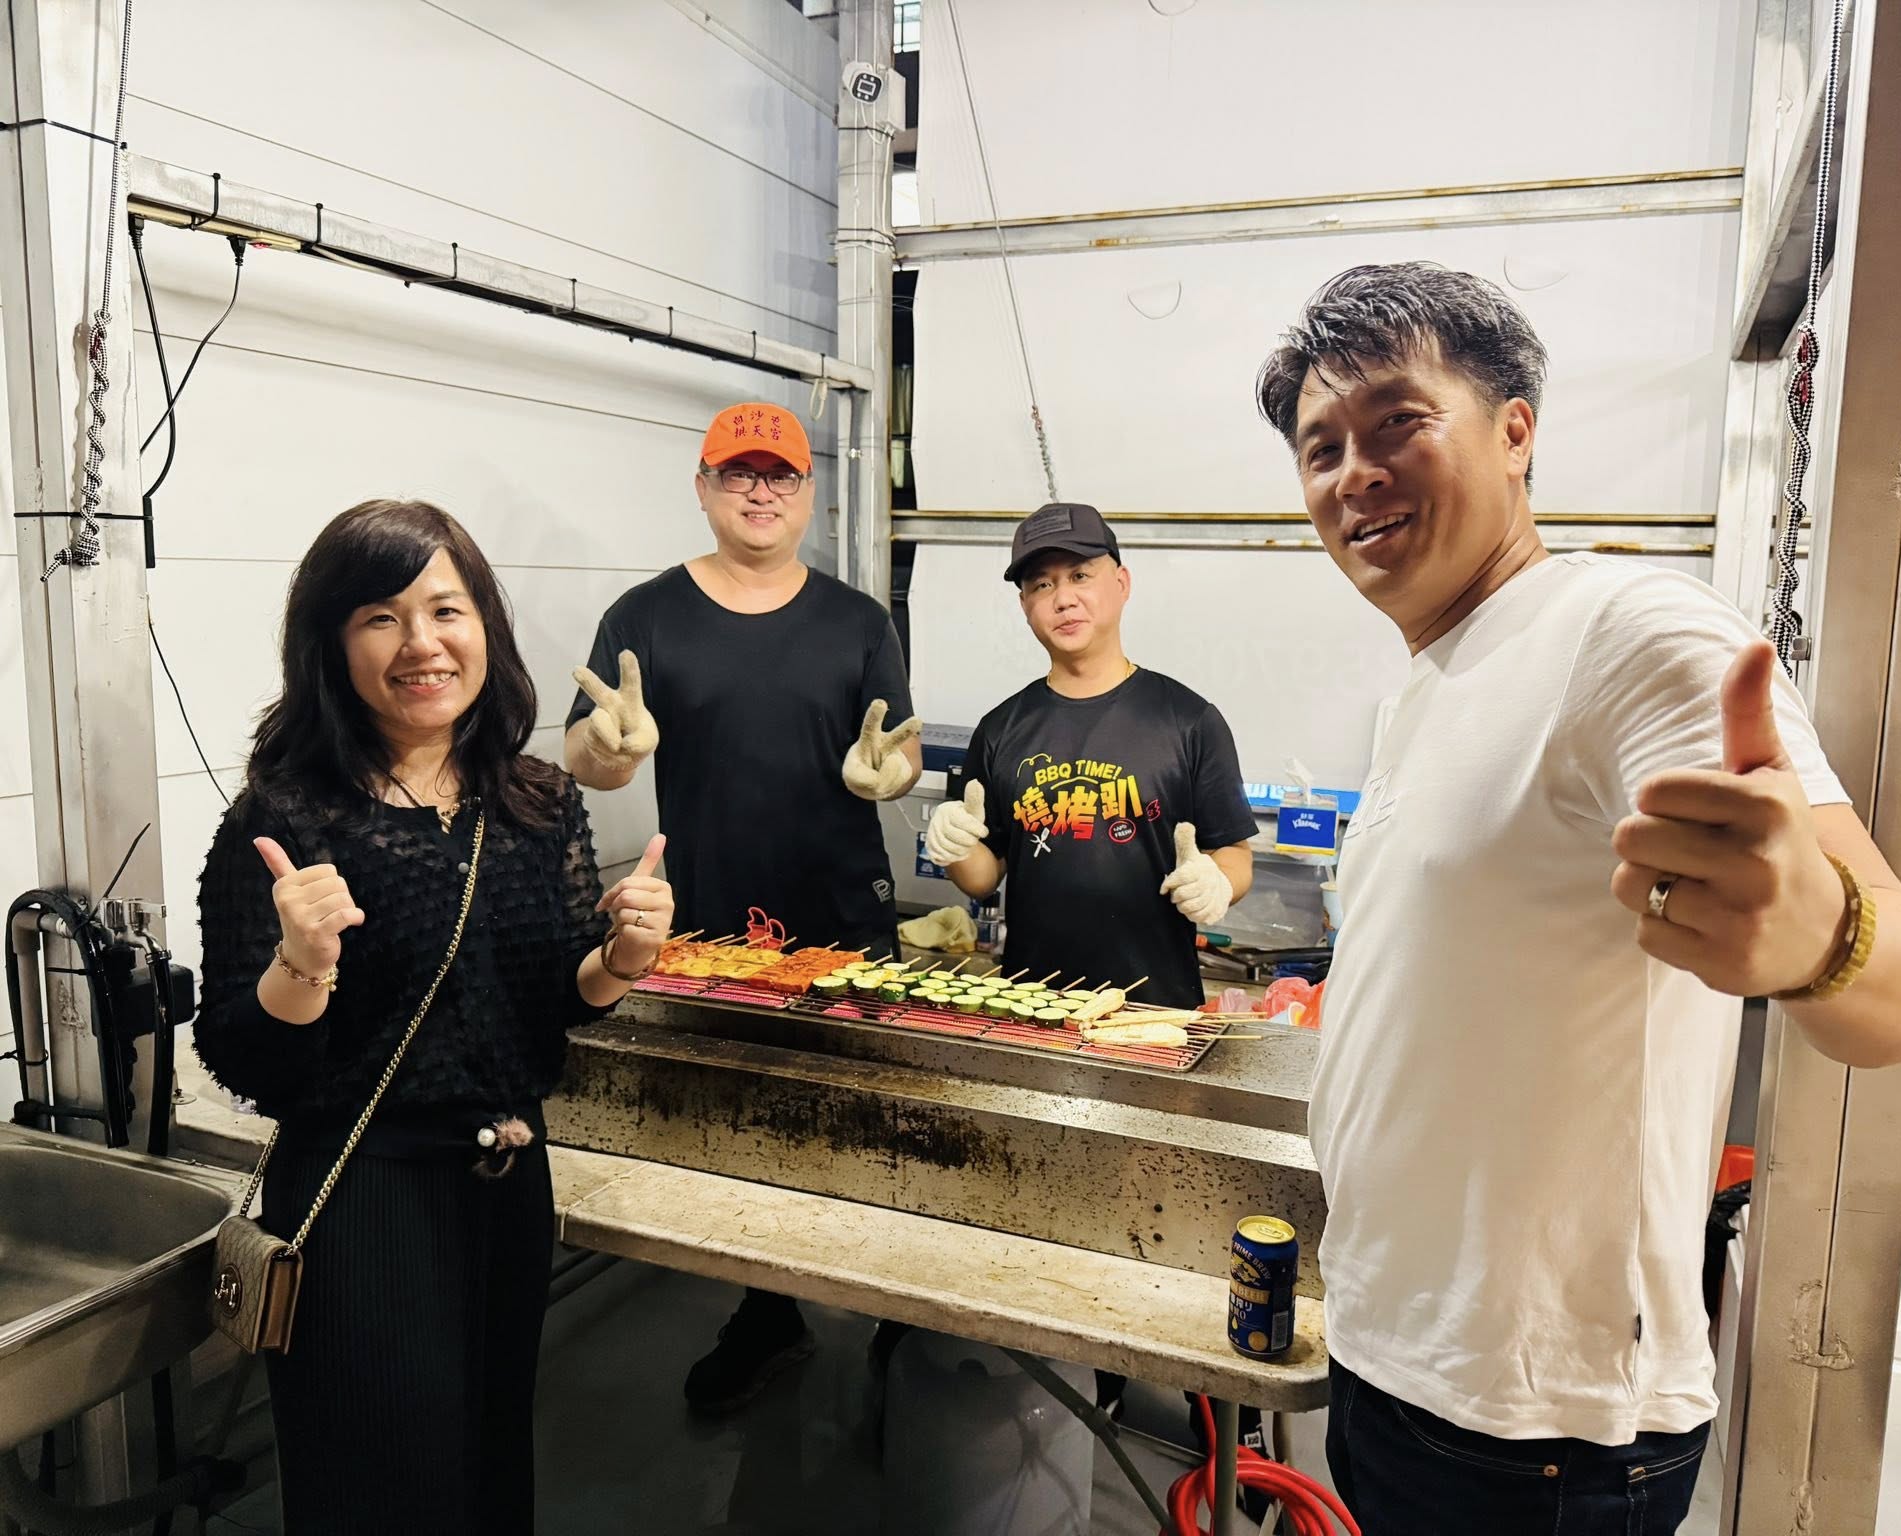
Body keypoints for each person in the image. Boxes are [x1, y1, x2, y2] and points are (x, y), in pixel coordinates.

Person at [1254, 263, 1901, 1534]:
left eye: (1396, 422)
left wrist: (1820, 939)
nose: (1352, 474)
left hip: (1535, 1433)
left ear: (1513, 431)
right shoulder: (1432, 680)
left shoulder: (1624, 631)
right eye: (1321, 449)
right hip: (1397, 1362)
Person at [194, 500, 675, 1535]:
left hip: (508, 1183)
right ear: (332, 645)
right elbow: (243, 1055)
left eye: (446, 610)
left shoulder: (537, 800)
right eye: (381, 616)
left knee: (488, 1472)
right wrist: (300, 966)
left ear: (484, 626)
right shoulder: (287, 817)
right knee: (377, 1490)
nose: (422, 644)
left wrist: (620, 962)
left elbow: (551, 997)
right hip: (365, 1190)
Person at [565, 400, 921, 1414]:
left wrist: (886, 776)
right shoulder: (645, 618)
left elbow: (895, 751)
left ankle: (905, 1304)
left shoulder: (859, 621)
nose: (760, 493)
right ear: (704, 488)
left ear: (808, 493)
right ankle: (767, 1313)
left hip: (843, 912)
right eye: (739, 473)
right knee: (747, 1127)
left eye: (780, 476)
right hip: (714, 922)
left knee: (871, 1117)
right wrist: (608, 746)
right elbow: (586, 754)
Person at [923, 502, 1256, 1011]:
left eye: (1080, 575)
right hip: (1031, 1005)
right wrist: (951, 845)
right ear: (1025, 606)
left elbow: (1235, 854)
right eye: (1042, 585)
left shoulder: (1189, 720)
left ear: (1121, 583)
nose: (1063, 599)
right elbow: (983, 876)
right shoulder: (1000, 729)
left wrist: (1217, 882)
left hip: (1153, 1010)